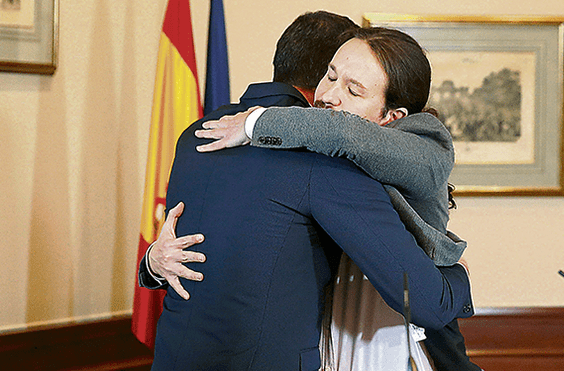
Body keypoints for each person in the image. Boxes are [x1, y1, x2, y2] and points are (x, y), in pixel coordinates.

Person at [139, 13, 478, 371]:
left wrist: (151, 264)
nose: (330, 96)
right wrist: (460, 275)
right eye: (330, 76)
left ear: (393, 116)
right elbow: (424, 300)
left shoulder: (197, 133)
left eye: (353, 88)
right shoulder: (322, 161)